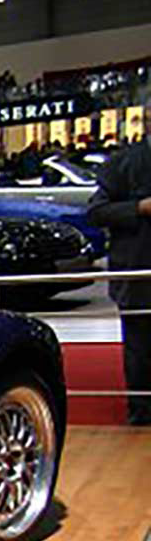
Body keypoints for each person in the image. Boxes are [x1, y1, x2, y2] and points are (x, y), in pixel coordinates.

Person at [87, 138, 151, 426]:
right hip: (137, 271)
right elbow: (96, 212)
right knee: (140, 346)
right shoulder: (123, 163)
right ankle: (142, 409)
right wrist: (139, 208)